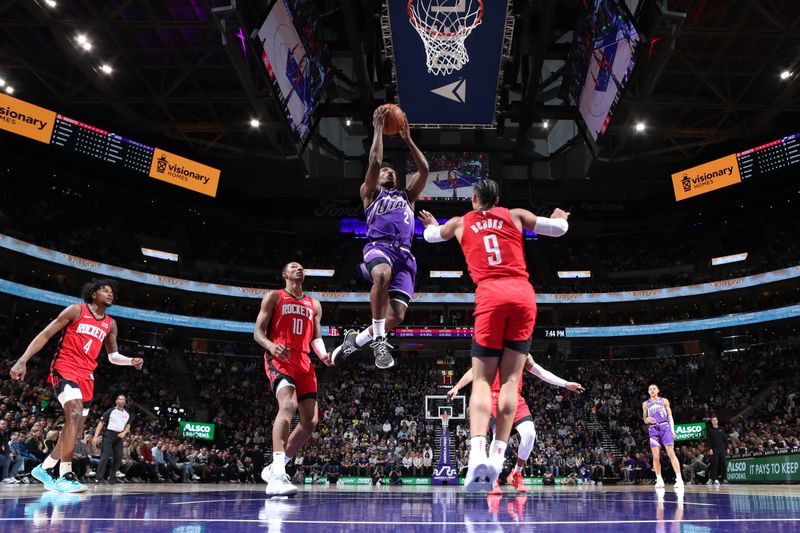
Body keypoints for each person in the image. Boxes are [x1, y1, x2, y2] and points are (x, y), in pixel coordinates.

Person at [419, 179, 570, 491]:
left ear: (474, 198)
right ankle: (498, 459)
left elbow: (431, 236)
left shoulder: (461, 222)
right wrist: (561, 218)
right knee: (511, 382)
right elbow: (558, 230)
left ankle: (477, 455)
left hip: (490, 295)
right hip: (523, 296)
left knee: (484, 380)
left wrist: (433, 225)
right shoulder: (514, 214)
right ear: (498, 199)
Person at [9, 279, 143, 492]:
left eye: (112, 292)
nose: (110, 294)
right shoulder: (76, 311)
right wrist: (23, 360)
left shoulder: (110, 323)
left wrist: (130, 361)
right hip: (65, 368)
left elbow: (113, 356)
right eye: (104, 290)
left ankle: (44, 468)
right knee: (73, 414)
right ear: (93, 294)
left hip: (87, 376)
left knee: (75, 428)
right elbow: (46, 333)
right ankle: (65, 474)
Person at [332, 105, 429, 369]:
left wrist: (408, 139)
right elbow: (375, 162)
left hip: (406, 255)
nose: (388, 171)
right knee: (381, 275)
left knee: (397, 315)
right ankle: (379, 341)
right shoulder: (371, 193)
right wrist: (377, 129)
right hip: (379, 247)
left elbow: (425, 170)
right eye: (385, 171)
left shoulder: (407, 197)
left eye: (392, 172)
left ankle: (358, 339)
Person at [448, 353, 584, 493]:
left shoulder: (523, 353)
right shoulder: (492, 351)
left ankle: (516, 473)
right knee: (498, 437)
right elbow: (474, 371)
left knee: (530, 434)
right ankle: (492, 479)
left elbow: (541, 373)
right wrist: (457, 387)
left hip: (515, 398)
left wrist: (566, 384)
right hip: (495, 399)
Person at [254, 262, 332, 496]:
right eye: (294, 267)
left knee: (311, 422)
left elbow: (316, 337)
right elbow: (257, 332)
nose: (300, 270)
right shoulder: (274, 297)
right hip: (280, 358)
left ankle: (276, 467)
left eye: (302, 268)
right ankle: (277, 474)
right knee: (287, 405)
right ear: (285, 274)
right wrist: (271, 346)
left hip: (304, 362)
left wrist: (323, 354)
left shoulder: (314, 304)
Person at [643, 384, 684, 489]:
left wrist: (672, 430)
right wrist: (646, 419)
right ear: (648, 392)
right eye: (650, 389)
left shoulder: (664, 401)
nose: (652, 390)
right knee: (656, 456)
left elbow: (670, 416)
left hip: (665, 427)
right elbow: (644, 418)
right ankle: (659, 479)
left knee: (671, 453)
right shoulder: (645, 404)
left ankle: (679, 479)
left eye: (654, 389)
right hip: (653, 429)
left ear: (658, 390)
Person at [93, 394, 131, 484]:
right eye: (120, 399)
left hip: (119, 437)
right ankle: (98, 478)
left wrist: (124, 432)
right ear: (116, 401)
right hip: (109, 435)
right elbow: (101, 423)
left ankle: (112, 477)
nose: (121, 401)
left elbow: (128, 425)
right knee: (105, 457)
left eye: (123, 399)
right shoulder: (111, 411)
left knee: (118, 458)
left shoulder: (127, 413)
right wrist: (95, 436)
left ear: (125, 402)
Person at [706, 416, 728, 485]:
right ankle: (714, 479)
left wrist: (727, 448)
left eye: (715, 420)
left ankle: (724, 478)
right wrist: (710, 449)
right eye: (713, 420)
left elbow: (725, 439)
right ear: (712, 422)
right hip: (714, 450)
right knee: (714, 465)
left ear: (717, 421)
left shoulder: (721, 429)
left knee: (723, 464)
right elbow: (708, 440)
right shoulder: (709, 430)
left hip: (722, 449)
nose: (714, 421)